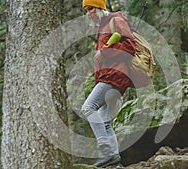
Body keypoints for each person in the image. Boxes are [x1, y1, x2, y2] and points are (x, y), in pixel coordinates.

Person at [81, 0, 137, 167]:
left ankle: (105, 149)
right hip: (110, 76)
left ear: (99, 8)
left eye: (90, 8)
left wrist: (103, 52)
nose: (88, 13)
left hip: (115, 76)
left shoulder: (116, 20)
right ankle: (114, 160)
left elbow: (130, 46)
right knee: (105, 120)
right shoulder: (104, 26)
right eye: (85, 10)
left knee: (88, 107)